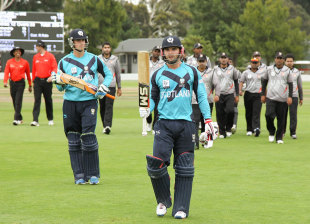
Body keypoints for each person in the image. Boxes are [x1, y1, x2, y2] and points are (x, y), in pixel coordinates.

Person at [139, 36, 215, 219]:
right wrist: (147, 109)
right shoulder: (157, 74)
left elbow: (202, 97)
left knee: (185, 168)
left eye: (174, 49)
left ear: (180, 51)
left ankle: (181, 207)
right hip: (163, 125)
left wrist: (208, 120)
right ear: (163, 52)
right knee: (156, 165)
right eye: (167, 49)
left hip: (186, 125)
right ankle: (163, 201)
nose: (170, 52)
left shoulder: (192, 72)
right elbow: (153, 98)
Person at [51, 28, 113, 184]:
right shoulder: (64, 62)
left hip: (89, 102)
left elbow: (109, 74)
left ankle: (93, 175)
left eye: (83, 40)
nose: (81, 43)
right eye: (78, 40)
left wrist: (104, 87)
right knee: (73, 139)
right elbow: (60, 88)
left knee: (88, 137)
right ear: (72, 42)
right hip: (70, 103)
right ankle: (79, 175)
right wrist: (58, 82)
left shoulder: (93, 59)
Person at [261, 52, 293, 144]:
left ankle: (279, 137)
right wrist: (263, 94)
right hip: (270, 97)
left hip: (282, 98)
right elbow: (264, 81)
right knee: (268, 115)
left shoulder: (287, 70)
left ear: (283, 60)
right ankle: (271, 131)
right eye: (277, 58)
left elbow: (290, 84)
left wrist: (290, 96)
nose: (279, 60)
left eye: (281, 58)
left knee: (281, 118)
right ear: (275, 59)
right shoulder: (269, 69)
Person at [31, 40, 57, 126]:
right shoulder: (35, 57)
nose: (36, 48)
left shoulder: (50, 56)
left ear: (41, 46)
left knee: (48, 100)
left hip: (47, 81)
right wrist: (33, 81)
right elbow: (34, 69)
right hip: (38, 81)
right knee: (37, 100)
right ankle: (35, 120)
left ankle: (50, 119)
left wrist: (52, 76)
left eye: (37, 46)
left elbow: (54, 67)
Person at [213, 52, 239, 138]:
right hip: (219, 94)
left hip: (230, 93)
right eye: (222, 57)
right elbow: (212, 81)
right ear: (220, 59)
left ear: (228, 59)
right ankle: (222, 132)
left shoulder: (232, 69)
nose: (223, 59)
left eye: (225, 57)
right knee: (220, 113)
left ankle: (228, 128)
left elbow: (236, 81)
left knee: (230, 111)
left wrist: (237, 95)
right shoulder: (215, 69)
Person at [196, 54, 219, 149]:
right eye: (200, 61)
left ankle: (205, 140)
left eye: (203, 61)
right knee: (195, 122)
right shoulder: (194, 71)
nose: (202, 63)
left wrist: (217, 94)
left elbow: (217, 84)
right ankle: (196, 142)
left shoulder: (211, 72)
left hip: (207, 100)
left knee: (206, 121)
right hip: (195, 101)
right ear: (197, 62)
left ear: (206, 62)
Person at [98, 42, 122, 134]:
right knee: (102, 106)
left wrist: (119, 87)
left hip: (111, 86)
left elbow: (118, 74)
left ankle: (108, 126)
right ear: (102, 49)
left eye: (108, 47)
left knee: (109, 106)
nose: (106, 49)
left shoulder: (115, 59)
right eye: (105, 47)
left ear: (110, 49)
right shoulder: (98, 58)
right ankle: (104, 125)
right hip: (100, 86)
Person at [4, 46, 32, 125]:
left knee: (18, 101)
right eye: (16, 51)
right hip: (12, 83)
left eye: (19, 51)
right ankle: (20, 118)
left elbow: (28, 74)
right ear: (13, 53)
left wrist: (30, 85)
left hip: (21, 83)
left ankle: (16, 119)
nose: (18, 52)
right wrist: (5, 82)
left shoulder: (25, 62)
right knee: (14, 101)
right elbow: (6, 72)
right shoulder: (9, 62)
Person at [239, 58, 264, 137]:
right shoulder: (246, 72)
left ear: (259, 63)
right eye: (253, 62)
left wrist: (265, 94)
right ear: (250, 63)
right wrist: (240, 90)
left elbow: (265, 83)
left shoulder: (262, 72)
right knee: (248, 112)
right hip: (248, 93)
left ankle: (256, 128)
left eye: (256, 62)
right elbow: (241, 82)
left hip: (258, 94)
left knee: (256, 112)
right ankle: (249, 129)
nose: (254, 64)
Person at [145, 45, 165, 133]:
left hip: (158, 87)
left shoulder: (162, 63)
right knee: (147, 106)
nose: (156, 53)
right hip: (147, 86)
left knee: (157, 107)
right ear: (152, 52)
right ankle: (148, 122)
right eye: (155, 51)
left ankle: (155, 126)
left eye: (158, 51)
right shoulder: (146, 61)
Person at [283, 54, 303, 139]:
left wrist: (301, 97)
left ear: (293, 62)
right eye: (288, 61)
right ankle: (282, 132)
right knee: (282, 115)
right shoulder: (281, 71)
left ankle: (293, 132)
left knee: (293, 115)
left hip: (294, 96)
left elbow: (300, 85)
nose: (289, 63)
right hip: (282, 96)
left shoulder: (297, 72)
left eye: (291, 61)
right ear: (285, 61)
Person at [228, 57, 242, 134]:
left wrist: (238, 91)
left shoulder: (236, 72)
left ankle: (234, 125)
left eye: (230, 61)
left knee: (234, 109)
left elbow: (240, 81)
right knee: (226, 111)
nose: (229, 63)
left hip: (234, 93)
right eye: (228, 61)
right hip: (225, 94)